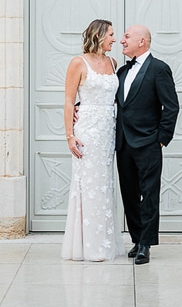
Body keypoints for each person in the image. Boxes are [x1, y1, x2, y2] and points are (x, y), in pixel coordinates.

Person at [116, 24, 179, 265]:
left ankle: (146, 244)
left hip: (149, 144)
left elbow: (171, 106)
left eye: (127, 36)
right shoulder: (122, 72)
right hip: (123, 144)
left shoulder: (159, 69)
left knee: (149, 195)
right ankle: (136, 238)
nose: (122, 40)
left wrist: (162, 138)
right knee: (129, 194)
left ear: (141, 41)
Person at [61, 19, 124, 262]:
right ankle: (87, 246)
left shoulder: (113, 62)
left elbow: (116, 98)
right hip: (87, 130)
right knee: (87, 184)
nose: (114, 39)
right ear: (98, 35)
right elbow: (69, 100)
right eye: (111, 34)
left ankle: (104, 241)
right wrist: (70, 135)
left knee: (105, 184)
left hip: (109, 130)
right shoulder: (78, 62)